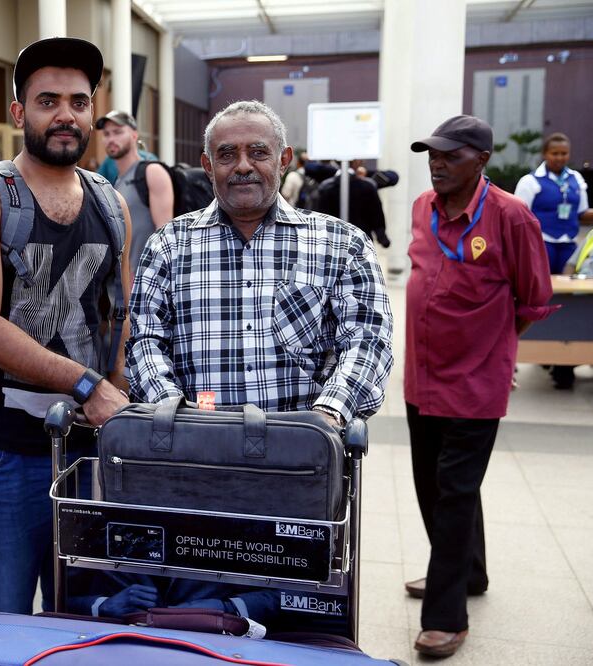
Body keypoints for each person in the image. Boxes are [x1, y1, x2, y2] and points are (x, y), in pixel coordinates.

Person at [119, 101, 393, 625]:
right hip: (192, 472)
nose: (242, 165)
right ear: (207, 164)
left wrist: (326, 419)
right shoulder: (170, 246)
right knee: (196, 616)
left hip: (299, 474)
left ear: (284, 158)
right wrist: (173, 416)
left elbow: (369, 341)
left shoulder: (339, 243)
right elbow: (144, 342)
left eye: (258, 151)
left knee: (295, 619)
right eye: (227, 154)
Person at [0, 37, 132, 615]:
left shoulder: (110, 202)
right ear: (19, 113)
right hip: (4, 450)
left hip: (90, 446)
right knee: (6, 614)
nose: (66, 114)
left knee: (87, 614)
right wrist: (88, 385)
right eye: (48, 101)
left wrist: (119, 388)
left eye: (78, 100)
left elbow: (120, 310)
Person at [404, 115, 556, 658]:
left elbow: (534, 300)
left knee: (455, 492)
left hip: (474, 382)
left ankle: (447, 615)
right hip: (422, 376)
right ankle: (468, 572)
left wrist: (493, 344)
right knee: (431, 486)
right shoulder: (423, 206)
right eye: (432, 155)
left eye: (450, 156)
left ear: (482, 160)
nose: (437, 163)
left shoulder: (512, 217)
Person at [514, 133, 593, 389]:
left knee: (567, 298)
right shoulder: (531, 182)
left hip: (568, 246)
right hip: (540, 244)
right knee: (533, 297)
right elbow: (518, 215)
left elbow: (583, 214)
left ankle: (560, 358)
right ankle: (520, 350)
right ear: (545, 154)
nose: (560, 158)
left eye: (564, 153)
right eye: (555, 153)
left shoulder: (575, 180)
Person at [96, 110, 174, 271]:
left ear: (134, 135)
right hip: (125, 284)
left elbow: (166, 237)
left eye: (118, 132)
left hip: (149, 280)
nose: (111, 139)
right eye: (107, 134)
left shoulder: (152, 172)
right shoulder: (117, 182)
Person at [316, 160, 391, 248]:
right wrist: (382, 237)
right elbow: (376, 215)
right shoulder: (367, 186)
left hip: (333, 241)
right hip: (361, 240)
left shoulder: (326, 187)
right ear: (356, 163)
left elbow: (321, 216)